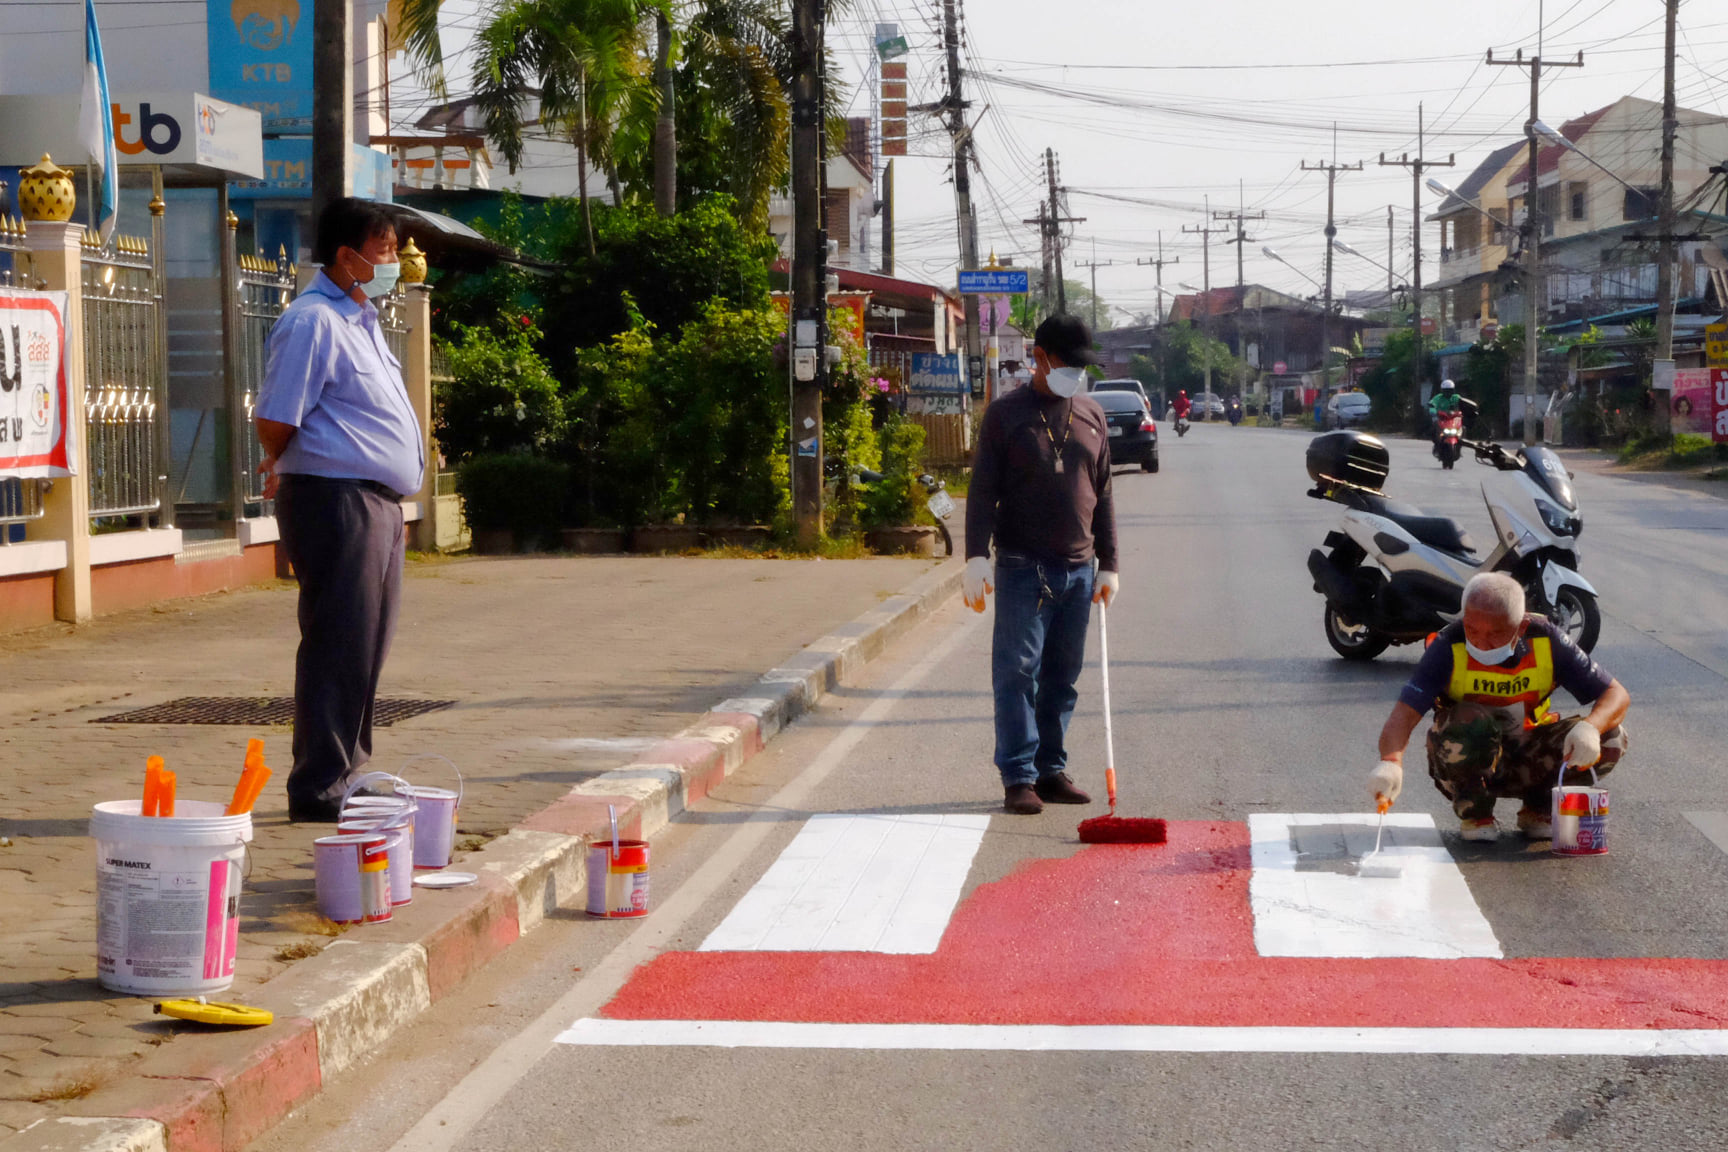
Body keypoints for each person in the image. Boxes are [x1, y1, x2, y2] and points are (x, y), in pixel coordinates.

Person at [255, 198, 425, 822]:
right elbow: (276, 416)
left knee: (366, 644)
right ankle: (321, 786)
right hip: (335, 498)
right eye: (384, 250)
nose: (395, 261)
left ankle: (346, 774)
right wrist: (284, 464)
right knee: (338, 641)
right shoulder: (312, 322)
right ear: (347, 256)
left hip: (374, 503)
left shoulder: (363, 320)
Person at [963, 314, 1120, 815]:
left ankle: (1051, 770)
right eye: (1067, 364)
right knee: (1016, 673)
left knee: (1062, 676)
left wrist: (1109, 563)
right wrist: (974, 557)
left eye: (1081, 366)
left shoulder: (1091, 414)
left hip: (1078, 569)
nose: (1075, 373)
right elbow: (982, 492)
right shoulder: (1005, 415)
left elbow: (1104, 494)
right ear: (1040, 357)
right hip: (1021, 566)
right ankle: (1019, 776)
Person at [1368, 573, 1630, 841]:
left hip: (1534, 753)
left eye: (1496, 634)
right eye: (1472, 629)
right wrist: (1390, 762)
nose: (1481, 642)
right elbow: (1404, 713)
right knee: (1466, 719)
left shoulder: (1547, 639)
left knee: (1611, 737)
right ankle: (1476, 812)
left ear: (1521, 625)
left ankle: (1538, 808)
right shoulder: (1447, 647)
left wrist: (1590, 728)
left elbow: (1615, 693)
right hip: (1469, 757)